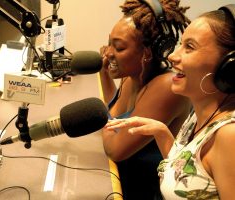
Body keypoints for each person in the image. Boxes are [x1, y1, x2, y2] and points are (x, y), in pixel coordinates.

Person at [105, 4, 235, 200]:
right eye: (180, 44)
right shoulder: (198, 116)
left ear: (228, 67)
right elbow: (189, 182)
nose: (173, 56)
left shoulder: (229, 136)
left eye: (189, 47)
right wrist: (163, 135)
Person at [99, 0, 191, 199]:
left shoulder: (166, 87)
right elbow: (113, 112)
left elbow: (116, 150)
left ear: (147, 53)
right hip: (120, 182)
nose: (108, 53)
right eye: (109, 44)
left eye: (119, 48)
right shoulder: (133, 75)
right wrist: (104, 73)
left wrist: (96, 119)